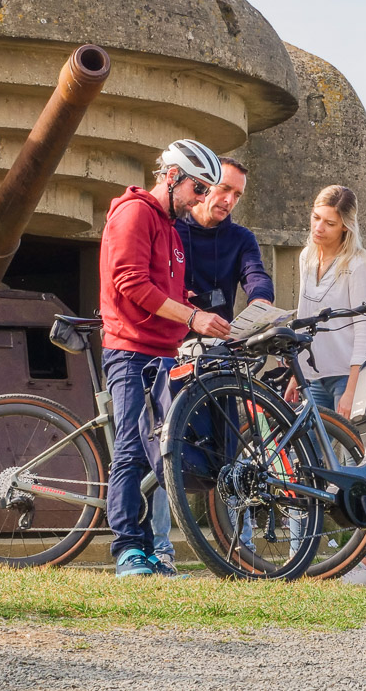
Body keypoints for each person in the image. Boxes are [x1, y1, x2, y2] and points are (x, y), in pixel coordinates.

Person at [99, 139, 232, 577]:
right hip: (131, 351)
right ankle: (127, 548)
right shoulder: (134, 213)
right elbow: (131, 284)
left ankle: (154, 548)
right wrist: (193, 317)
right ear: (171, 176)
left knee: (163, 452)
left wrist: (188, 305)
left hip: (163, 353)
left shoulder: (171, 232)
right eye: (197, 188)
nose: (201, 198)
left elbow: (164, 292)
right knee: (133, 450)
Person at [149, 156, 275, 572]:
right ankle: (160, 548)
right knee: (164, 443)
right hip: (171, 346)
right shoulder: (172, 228)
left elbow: (255, 274)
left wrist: (260, 303)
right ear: (202, 185)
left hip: (220, 349)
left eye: (237, 195)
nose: (229, 201)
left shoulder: (240, 237)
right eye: (224, 189)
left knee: (229, 449)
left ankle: (238, 548)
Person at [283, 184, 366, 584]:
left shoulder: (358, 265)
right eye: (316, 218)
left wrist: (355, 383)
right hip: (314, 373)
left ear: (346, 227)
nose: (319, 228)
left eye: (330, 223)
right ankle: (300, 559)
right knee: (307, 464)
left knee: (357, 466)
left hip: (351, 373)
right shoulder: (307, 257)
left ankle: (365, 563)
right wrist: (296, 371)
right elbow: (305, 317)